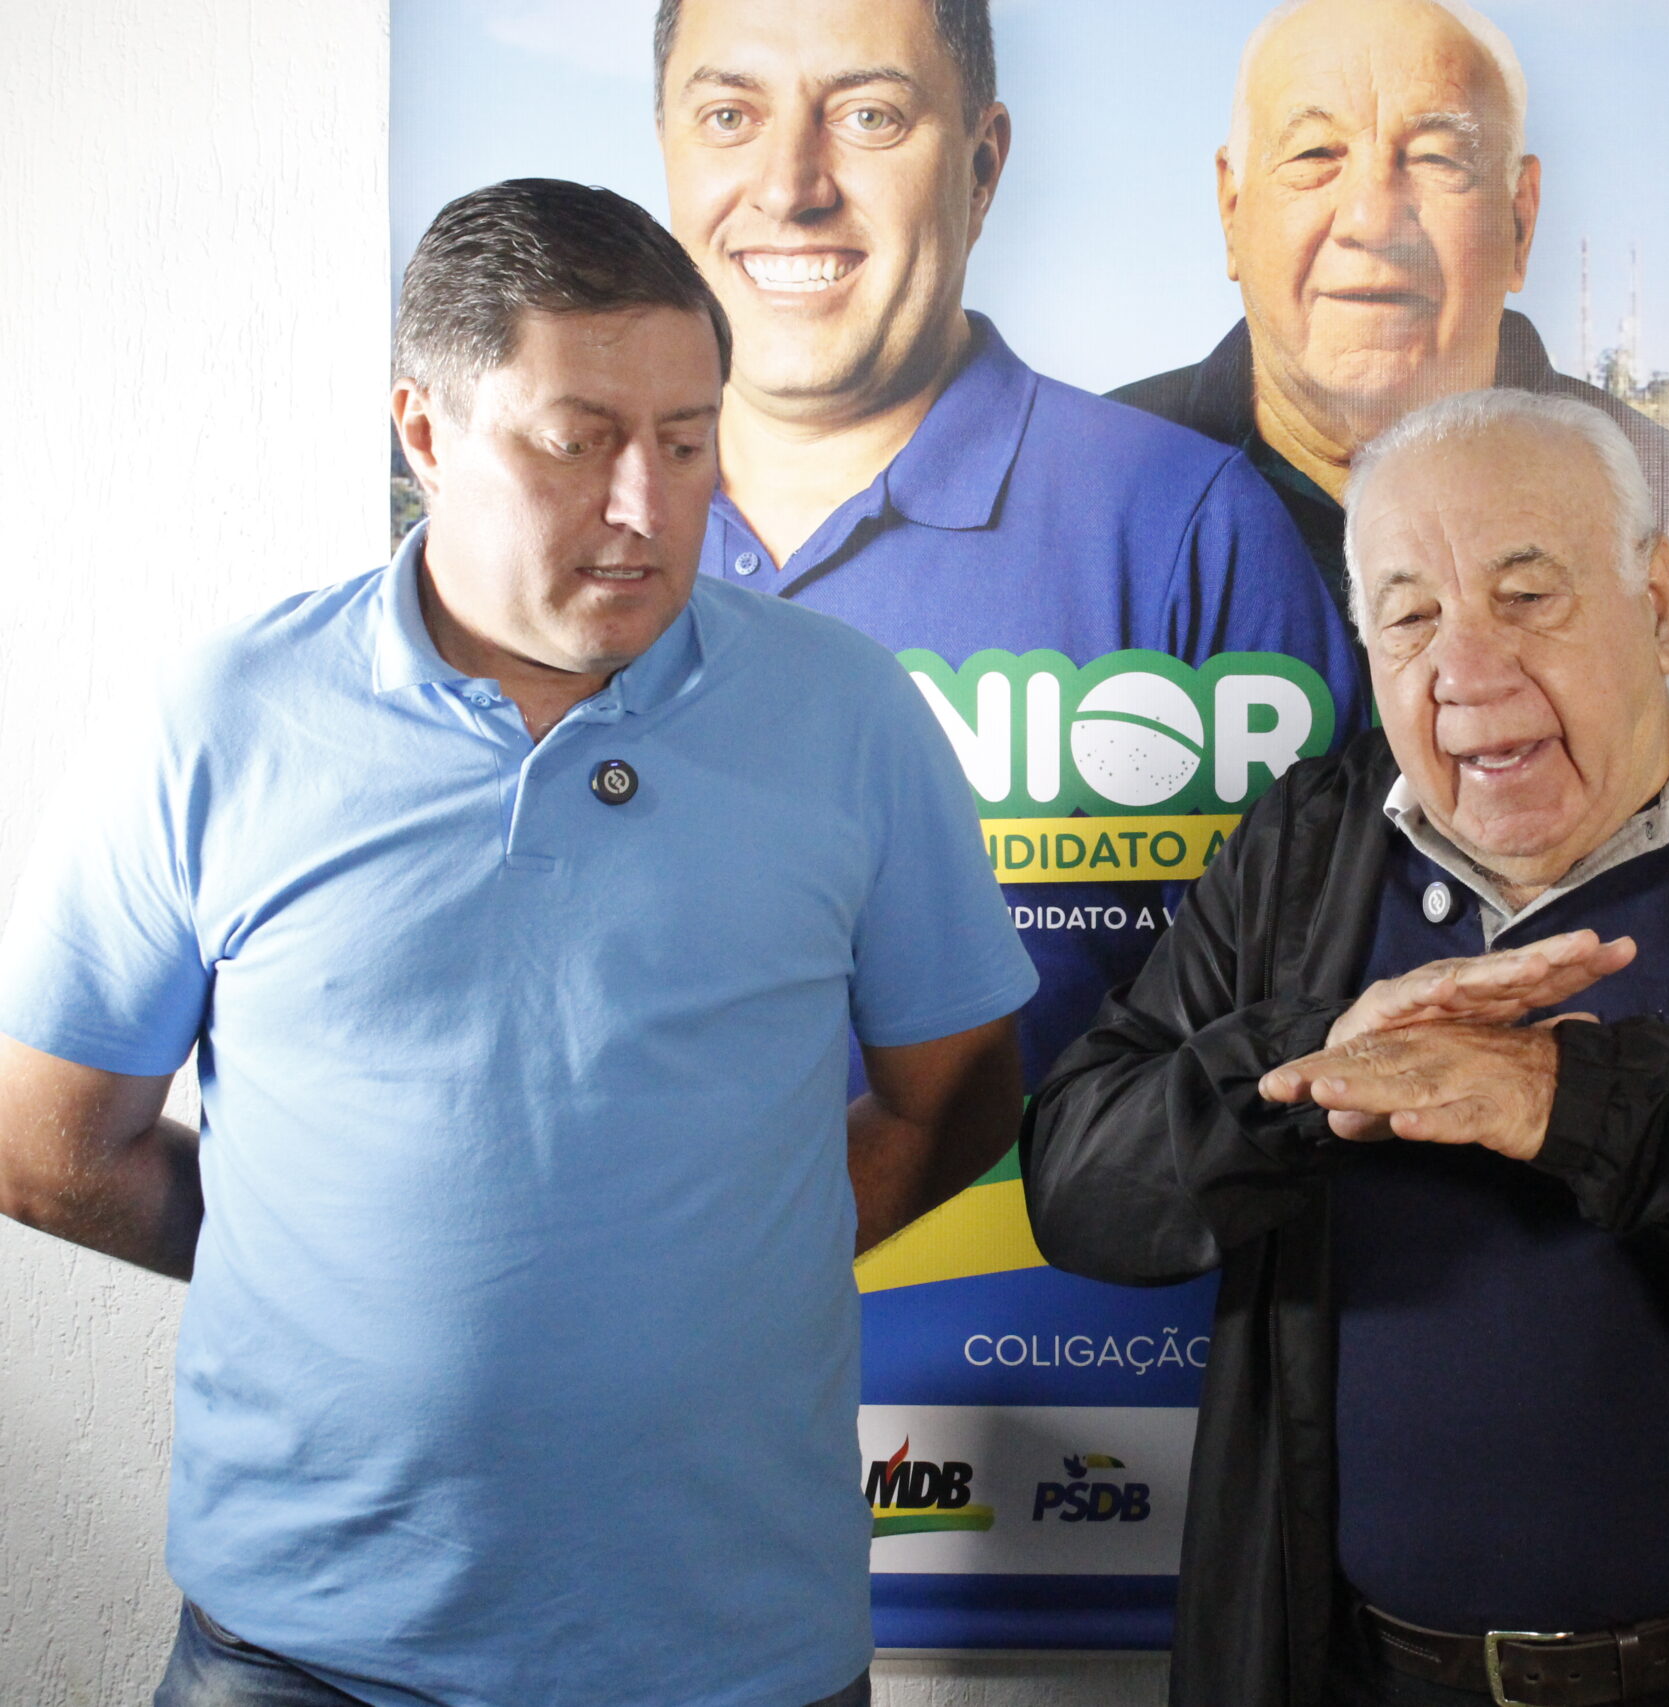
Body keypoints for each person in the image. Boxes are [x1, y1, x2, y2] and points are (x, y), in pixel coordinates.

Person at [0, 180, 1036, 1707]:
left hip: (738, 1647)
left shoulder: (850, 711)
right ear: (422, 430)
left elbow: (959, 1095)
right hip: (305, 1653)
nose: (647, 503)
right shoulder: (219, 718)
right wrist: (332, 1269)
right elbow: (46, 1145)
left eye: (686, 439)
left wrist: (723, 1265)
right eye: (577, 440)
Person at [1023, 390, 1669, 1707]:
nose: (1467, 671)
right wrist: (1311, 1065)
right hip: (1352, 1673)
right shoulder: (1304, 848)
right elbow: (1078, 1180)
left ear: (1658, 603)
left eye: (1526, 598)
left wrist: (1581, 1100)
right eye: (1411, 616)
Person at [654, 0, 1363, 1088]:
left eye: (869, 116)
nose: (790, 187)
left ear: (982, 168)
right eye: (728, 116)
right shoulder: (563, 543)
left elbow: (1300, 1057)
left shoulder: (1183, 531)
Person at [1111, 0, 1669, 707]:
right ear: (1231, 209)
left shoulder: (1666, 503)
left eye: (1437, 159)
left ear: (1520, 220)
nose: (1372, 220)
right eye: (1315, 156)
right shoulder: (1091, 489)